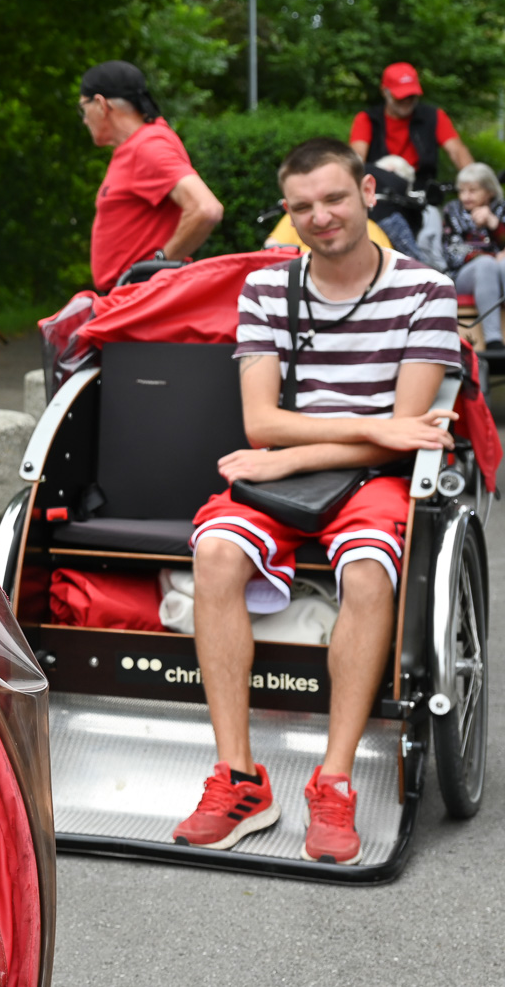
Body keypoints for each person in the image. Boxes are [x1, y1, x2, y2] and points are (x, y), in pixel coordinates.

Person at [172, 138, 457, 865]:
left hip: (373, 478)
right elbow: (261, 422)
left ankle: (334, 781)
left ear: (368, 193)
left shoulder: (426, 291)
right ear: (287, 213)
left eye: (334, 198)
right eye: (303, 207)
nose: (321, 216)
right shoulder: (268, 288)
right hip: (288, 474)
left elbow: (406, 436)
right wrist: (363, 428)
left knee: (367, 572)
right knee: (215, 553)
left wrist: (295, 453)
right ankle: (239, 779)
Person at [82, 60, 225, 290]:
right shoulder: (140, 144)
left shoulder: (147, 146)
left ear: (100, 104)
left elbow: (206, 209)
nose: (84, 119)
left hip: (139, 295)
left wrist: (155, 268)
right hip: (131, 294)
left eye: (83, 107)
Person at [348, 61, 474, 177]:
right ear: (385, 92)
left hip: (421, 188)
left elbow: (457, 151)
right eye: (400, 96)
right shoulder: (367, 119)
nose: (406, 101)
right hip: (380, 187)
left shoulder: (434, 116)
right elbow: (357, 157)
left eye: (411, 95)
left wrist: (474, 179)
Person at [444, 161, 505, 348]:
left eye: (472, 191)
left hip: (500, 270)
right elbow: (452, 253)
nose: (465, 196)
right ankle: (494, 342)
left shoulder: (502, 209)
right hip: (464, 275)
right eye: (462, 191)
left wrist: (494, 224)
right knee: (486, 264)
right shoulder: (452, 210)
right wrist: (489, 256)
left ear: (489, 192)